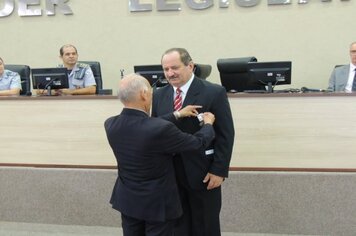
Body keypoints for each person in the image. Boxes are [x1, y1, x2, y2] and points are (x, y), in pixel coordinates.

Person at [104, 73, 216, 236]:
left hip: (128, 199)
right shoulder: (159, 129)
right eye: (150, 92)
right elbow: (196, 143)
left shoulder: (110, 124)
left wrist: (177, 114)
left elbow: (144, 125)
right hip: (157, 203)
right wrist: (208, 124)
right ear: (143, 94)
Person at [151, 48, 235, 236]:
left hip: (203, 173)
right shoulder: (157, 94)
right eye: (166, 69)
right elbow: (154, 130)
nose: (170, 73)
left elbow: (225, 134)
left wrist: (219, 170)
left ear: (190, 66)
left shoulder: (213, 92)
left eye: (175, 67)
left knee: (205, 224)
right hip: (170, 174)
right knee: (177, 226)